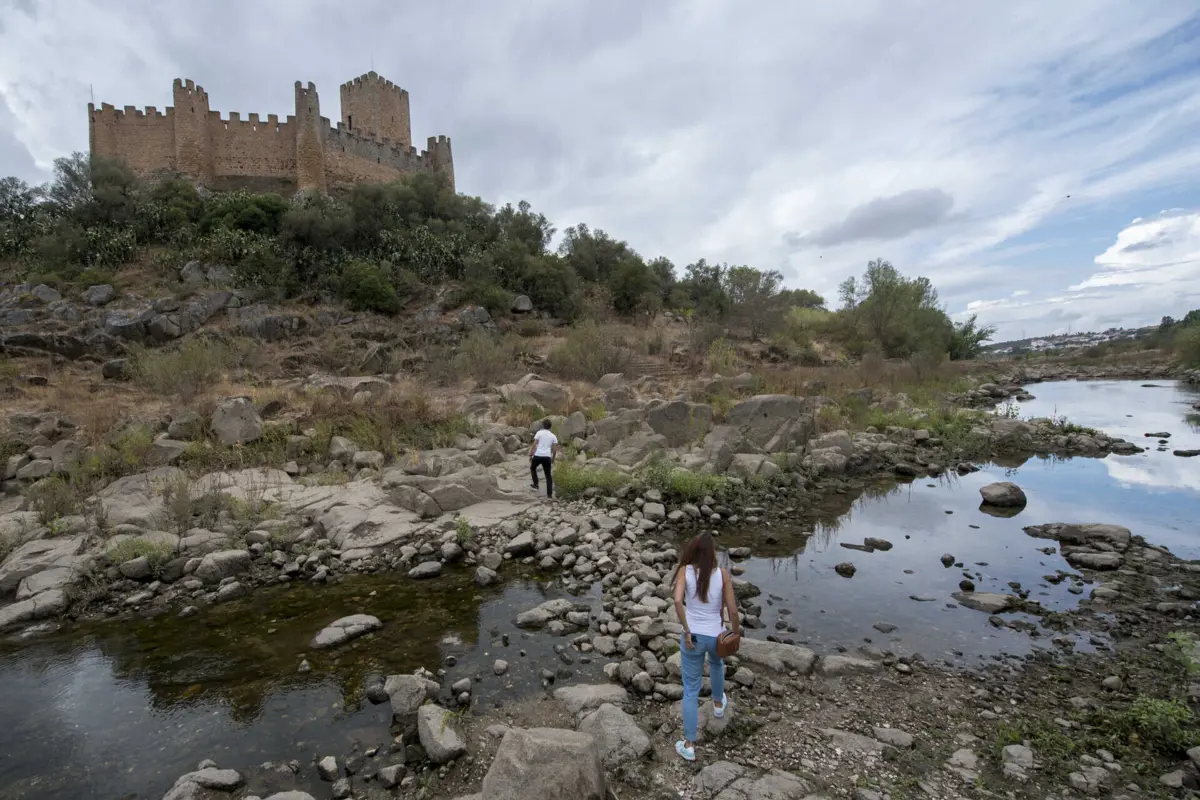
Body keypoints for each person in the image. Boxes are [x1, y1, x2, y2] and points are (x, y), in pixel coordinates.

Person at [672, 532, 740, 761]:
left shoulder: (685, 571)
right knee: (717, 663)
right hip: (716, 635)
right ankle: (718, 704)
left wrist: (687, 629)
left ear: (694, 550)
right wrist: (736, 633)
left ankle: (689, 744)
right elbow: (732, 610)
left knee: (690, 690)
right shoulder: (722, 574)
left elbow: (676, 601)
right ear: (712, 554)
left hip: (693, 637)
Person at [529, 419, 558, 498]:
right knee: (548, 475)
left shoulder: (539, 433)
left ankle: (536, 485)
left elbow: (534, 444)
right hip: (547, 456)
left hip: (538, 455)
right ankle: (549, 495)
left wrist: (531, 455)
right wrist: (553, 458)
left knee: (532, 468)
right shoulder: (553, 436)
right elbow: (555, 449)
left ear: (543, 425)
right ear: (550, 427)